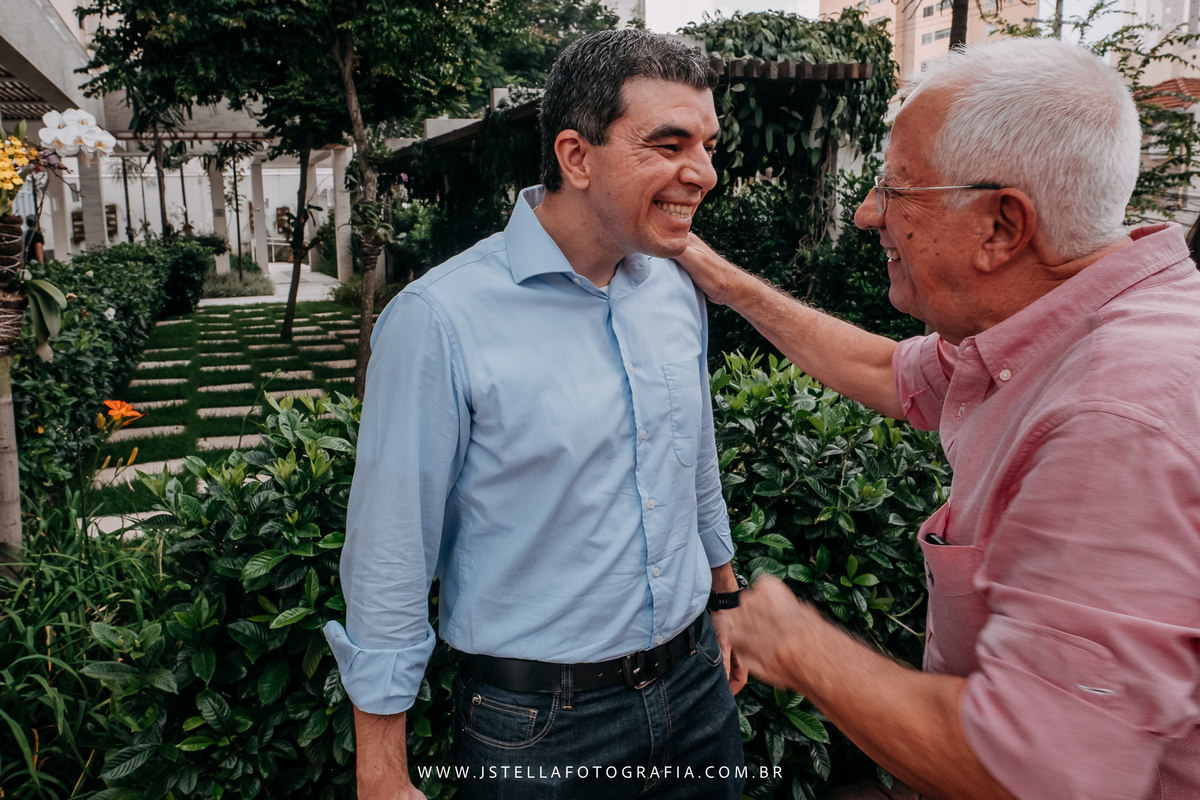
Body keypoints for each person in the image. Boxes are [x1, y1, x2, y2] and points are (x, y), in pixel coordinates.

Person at [676, 37, 1200, 800]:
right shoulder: (1064, 321)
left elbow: (1036, 771)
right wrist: (723, 280)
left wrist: (796, 646)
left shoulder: (1113, 418)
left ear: (1002, 226)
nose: (868, 214)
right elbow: (890, 373)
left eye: (896, 190)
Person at [325, 29, 748, 800]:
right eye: (670, 145)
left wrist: (724, 594)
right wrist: (380, 769)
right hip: (537, 730)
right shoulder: (439, 320)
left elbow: (693, 455)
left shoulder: (677, 288)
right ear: (576, 157)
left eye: (708, 146)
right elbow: (391, 550)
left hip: (696, 690)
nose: (704, 173)